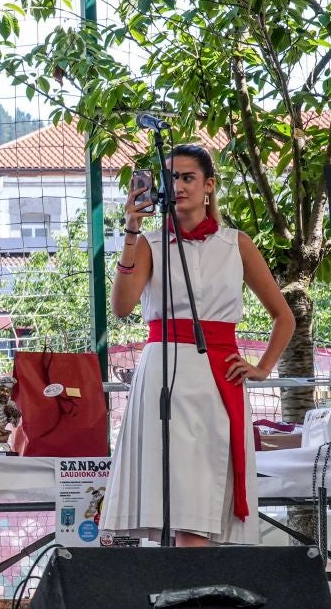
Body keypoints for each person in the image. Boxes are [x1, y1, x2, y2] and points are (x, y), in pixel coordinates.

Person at [102, 144, 291, 544]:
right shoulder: (150, 243)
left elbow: (284, 317)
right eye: (171, 177)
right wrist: (132, 230)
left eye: (187, 177)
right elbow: (121, 307)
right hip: (162, 374)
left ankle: (198, 592)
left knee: (202, 500)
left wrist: (262, 367)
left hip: (216, 377)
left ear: (209, 185)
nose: (178, 185)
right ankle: (186, 592)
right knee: (171, 499)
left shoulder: (235, 243)